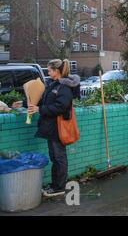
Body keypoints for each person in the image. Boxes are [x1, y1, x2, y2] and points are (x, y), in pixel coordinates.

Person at [13, 59, 80, 197]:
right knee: (54, 157)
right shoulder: (53, 85)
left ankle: (60, 187)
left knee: (59, 157)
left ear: (57, 71)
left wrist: (40, 109)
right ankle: (56, 184)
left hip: (58, 128)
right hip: (51, 127)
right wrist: (24, 103)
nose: (48, 72)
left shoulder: (65, 87)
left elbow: (61, 107)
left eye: (49, 70)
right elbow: (43, 99)